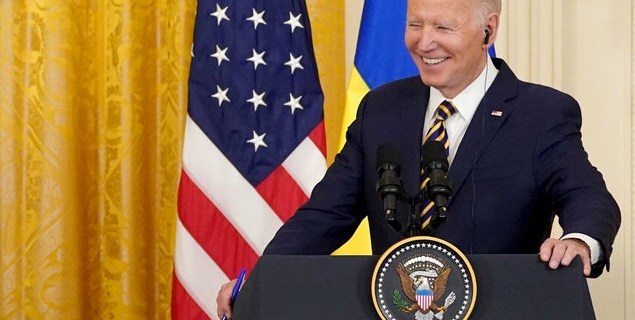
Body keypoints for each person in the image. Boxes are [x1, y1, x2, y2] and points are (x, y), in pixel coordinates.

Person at [217, 0, 621, 318]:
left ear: (488, 30)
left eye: (443, 27)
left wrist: (580, 240)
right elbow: (324, 215)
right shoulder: (382, 108)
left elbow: (587, 195)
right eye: (415, 24)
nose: (424, 42)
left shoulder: (541, 112)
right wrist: (261, 281)